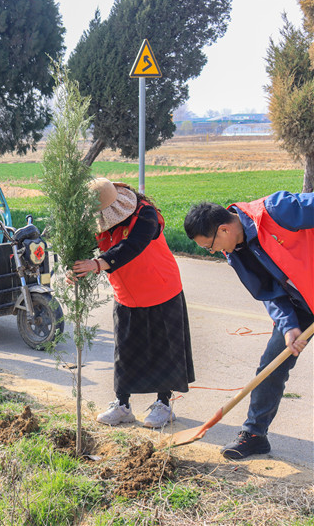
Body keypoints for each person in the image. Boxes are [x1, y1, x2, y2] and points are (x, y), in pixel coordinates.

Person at [184, 192, 313, 459]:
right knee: (272, 366)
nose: (213, 252)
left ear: (224, 229)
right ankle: (254, 435)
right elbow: (269, 292)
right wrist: (289, 325)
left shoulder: (276, 211)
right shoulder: (237, 254)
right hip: (300, 304)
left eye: (209, 246)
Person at [72, 178, 195, 428]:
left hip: (161, 290)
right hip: (126, 294)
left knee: (164, 348)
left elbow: (133, 246)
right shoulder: (99, 223)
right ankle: (122, 405)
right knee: (125, 351)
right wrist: (75, 269)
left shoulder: (146, 214)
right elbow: (84, 250)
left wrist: (97, 264)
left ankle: (163, 404)